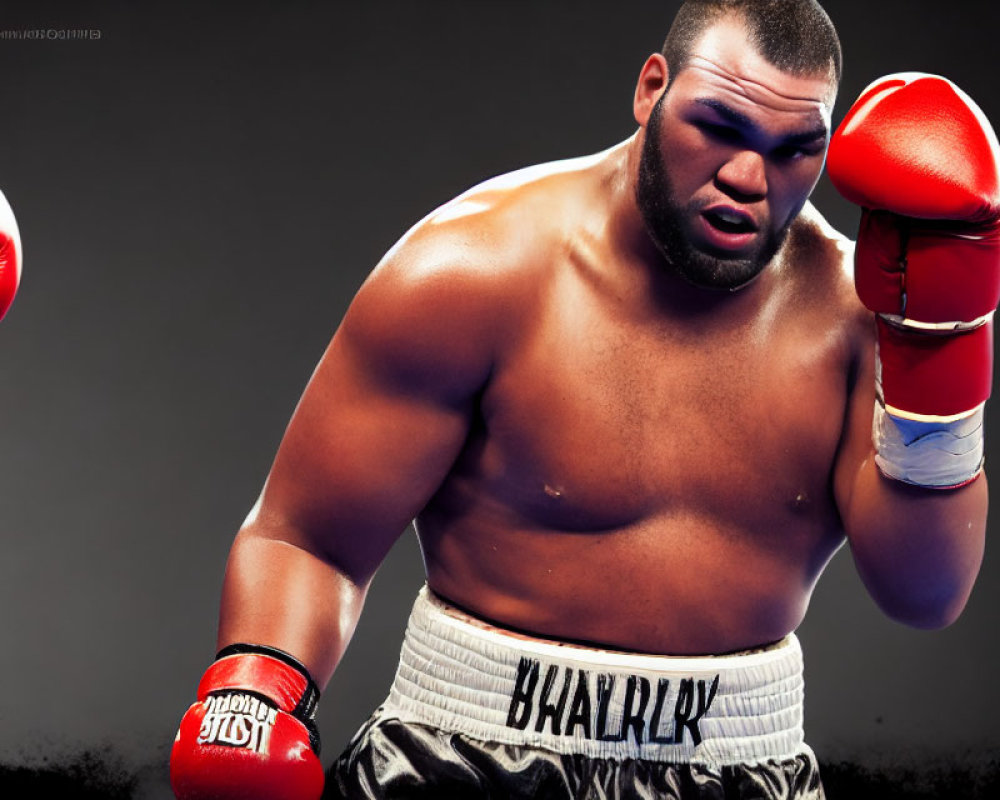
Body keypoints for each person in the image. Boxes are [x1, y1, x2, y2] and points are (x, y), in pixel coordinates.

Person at [169, 0, 999, 797]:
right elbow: (311, 539)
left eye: (794, 150)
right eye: (718, 126)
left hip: (745, 765)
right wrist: (254, 691)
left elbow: (924, 597)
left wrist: (940, 353)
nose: (749, 177)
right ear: (651, 89)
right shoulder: (475, 268)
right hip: (458, 760)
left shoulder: (859, 321)